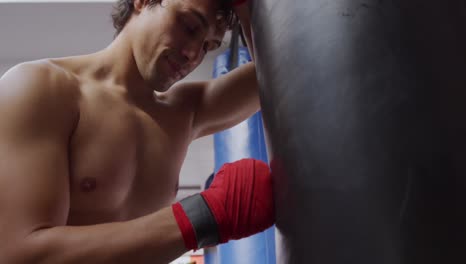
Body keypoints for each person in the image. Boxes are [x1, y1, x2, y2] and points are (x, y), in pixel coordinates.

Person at [0, 0, 274, 263]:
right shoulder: (42, 88)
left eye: (207, 46)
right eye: (189, 26)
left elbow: (278, 75)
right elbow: (21, 254)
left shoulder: (184, 114)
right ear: (142, 1)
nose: (193, 54)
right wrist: (200, 216)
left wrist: (244, 7)